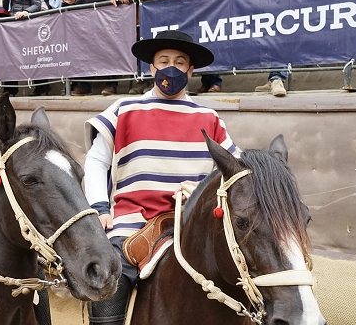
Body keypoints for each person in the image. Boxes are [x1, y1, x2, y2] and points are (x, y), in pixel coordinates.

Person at [83, 30, 241, 325]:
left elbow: (236, 172)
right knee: (107, 277)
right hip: (132, 224)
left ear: (190, 71)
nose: (172, 67)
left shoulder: (210, 118)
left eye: (180, 62)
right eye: (164, 60)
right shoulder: (124, 109)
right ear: (152, 68)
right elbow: (95, 161)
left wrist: (202, 189)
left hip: (192, 224)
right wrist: (99, 209)